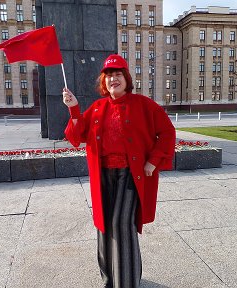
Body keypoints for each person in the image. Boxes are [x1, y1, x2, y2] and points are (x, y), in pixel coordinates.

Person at [63, 54, 176, 288]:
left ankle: (127, 282)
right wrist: (74, 109)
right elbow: (75, 137)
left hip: (130, 175)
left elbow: (167, 132)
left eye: (118, 75)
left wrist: (153, 161)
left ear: (126, 78)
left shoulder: (144, 105)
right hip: (103, 175)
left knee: (121, 224)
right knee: (103, 224)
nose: (113, 79)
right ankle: (109, 278)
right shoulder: (97, 108)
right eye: (108, 76)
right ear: (103, 82)